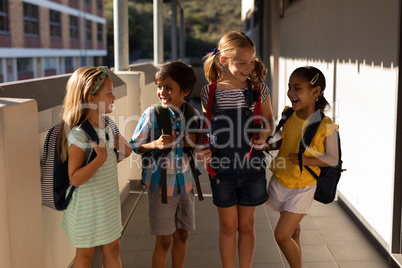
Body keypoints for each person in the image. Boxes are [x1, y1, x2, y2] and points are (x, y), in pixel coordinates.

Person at [195, 31, 274, 268]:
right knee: (228, 227)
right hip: (222, 170)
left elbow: (269, 120)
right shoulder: (210, 92)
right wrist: (203, 150)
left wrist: (265, 135)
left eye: (251, 61)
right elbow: (207, 130)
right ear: (223, 61)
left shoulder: (260, 90)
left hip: (252, 168)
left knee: (247, 226)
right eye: (242, 62)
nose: (248, 67)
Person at [266, 66, 339, 268]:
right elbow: (287, 141)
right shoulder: (289, 115)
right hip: (281, 180)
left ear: (316, 91)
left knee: (281, 236)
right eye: (290, 87)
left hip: (302, 187)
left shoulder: (326, 125)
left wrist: (306, 161)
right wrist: (268, 145)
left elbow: (332, 158)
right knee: (293, 231)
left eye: (297, 88)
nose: (290, 93)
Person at [130, 61, 201, 268]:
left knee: (182, 234)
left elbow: (198, 145)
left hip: (186, 184)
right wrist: (155, 144)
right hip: (161, 186)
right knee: (164, 240)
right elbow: (135, 145)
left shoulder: (192, 115)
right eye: (159, 86)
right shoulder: (152, 114)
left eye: (168, 87)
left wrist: (195, 143)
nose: (162, 92)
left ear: (185, 91)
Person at [60, 66, 132, 267]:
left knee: (113, 249)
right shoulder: (79, 134)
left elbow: (107, 162)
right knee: (85, 257)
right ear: (91, 99)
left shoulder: (107, 125)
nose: (114, 98)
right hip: (87, 208)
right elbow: (75, 178)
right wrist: (99, 159)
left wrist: (125, 153)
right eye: (109, 93)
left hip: (107, 204)